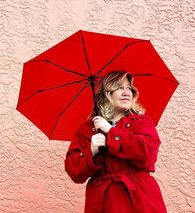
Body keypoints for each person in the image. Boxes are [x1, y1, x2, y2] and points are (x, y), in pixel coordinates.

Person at [64, 71, 167, 213]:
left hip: (139, 199)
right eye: (119, 88)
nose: (126, 92)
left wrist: (111, 132)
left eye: (129, 88)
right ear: (106, 93)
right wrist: (91, 151)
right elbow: (73, 170)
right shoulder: (87, 129)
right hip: (103, 200)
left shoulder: (142, 122)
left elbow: (147, 153)